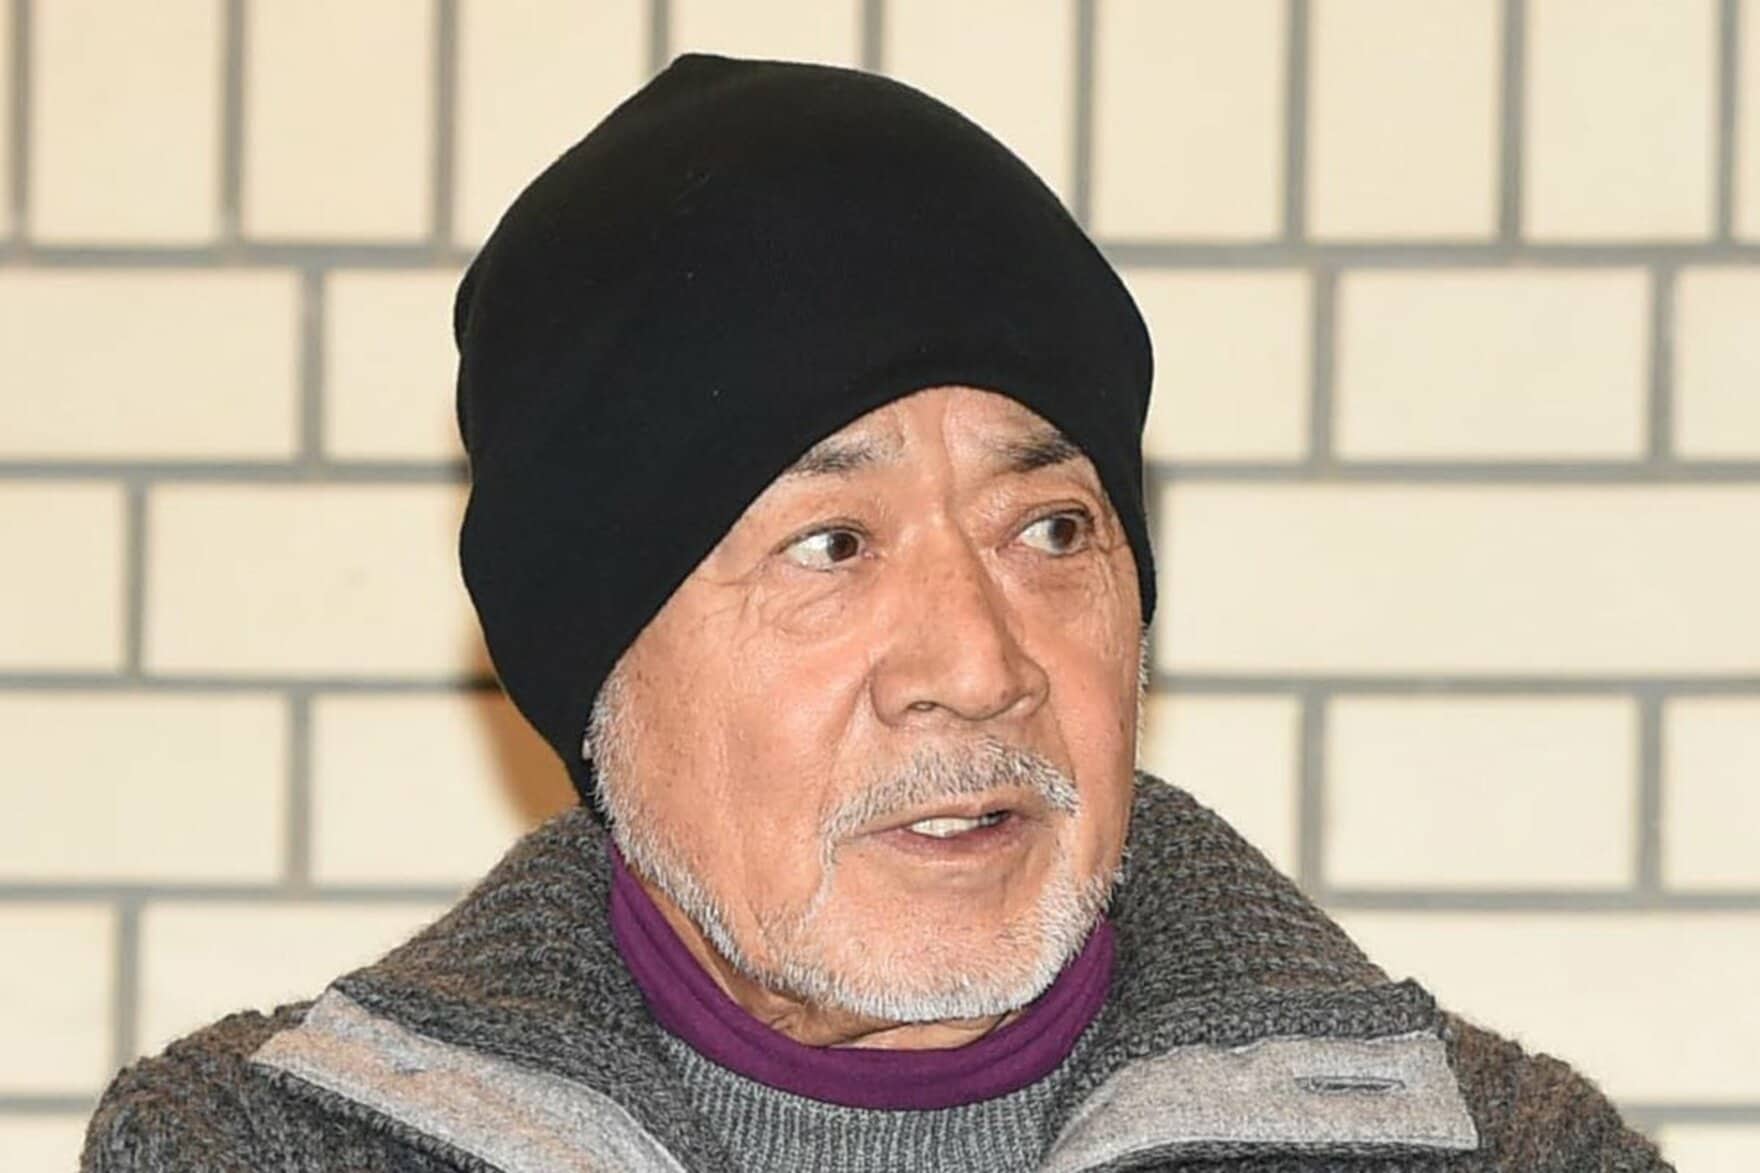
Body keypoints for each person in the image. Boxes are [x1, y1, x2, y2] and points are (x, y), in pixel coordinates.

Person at [81, 53, 1670, 1172]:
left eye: (1052, 528)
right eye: (832, 544)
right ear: (595, 661)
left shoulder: (1507, 1153)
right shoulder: (252, 1150)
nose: (978, 664)